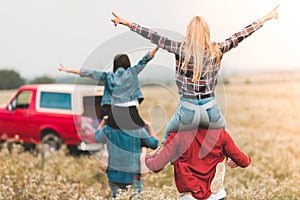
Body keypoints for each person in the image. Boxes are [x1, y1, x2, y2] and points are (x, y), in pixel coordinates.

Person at [111, 5, 279, 144]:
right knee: (224, 140)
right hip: (210, 108)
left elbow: (154, 36)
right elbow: (240, 35)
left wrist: (127, 23)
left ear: (188, 32)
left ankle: (164, 155)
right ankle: (224, 158)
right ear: (207, 32)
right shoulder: (217, 50)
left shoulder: (180, 48)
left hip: (187, 108)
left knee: (167, 136)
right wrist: (264, 19)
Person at [59, 47, 159, 198]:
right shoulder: (132, 73)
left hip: (113, 118)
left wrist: (68, 70)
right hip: (132, 118)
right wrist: (155, 49)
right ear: (127, 64)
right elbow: (144, 60)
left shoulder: (108, 77)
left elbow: (89, 73)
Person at [145, 128, 251, 200]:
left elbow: (155, 167)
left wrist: (148, 157)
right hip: (216, 195)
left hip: (189, 194)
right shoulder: (219, 132)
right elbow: (244, 162)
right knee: (220, 156)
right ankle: (219, 166)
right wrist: (239, 160)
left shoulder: (176, 135)